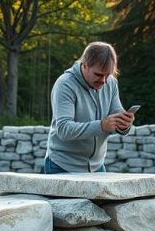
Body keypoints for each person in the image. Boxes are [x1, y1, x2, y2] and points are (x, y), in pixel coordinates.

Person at [44, 42, 135, 173]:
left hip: (97, 167)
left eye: (108, 75)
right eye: (98, 74)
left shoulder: (111, 83)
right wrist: (102, 126)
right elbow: (63, 129)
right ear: (84, 65)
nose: (104, 80)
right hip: (62, 166)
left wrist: (124, 123)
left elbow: (116, 115)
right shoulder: (65, 85)